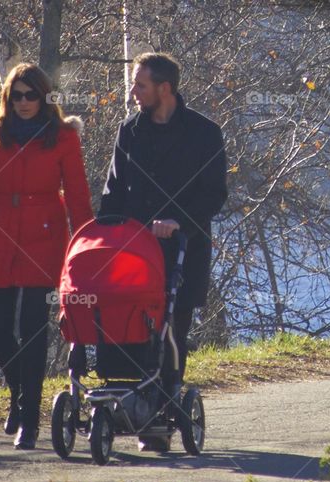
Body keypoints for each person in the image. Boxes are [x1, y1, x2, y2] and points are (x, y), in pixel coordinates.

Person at [97, 52, 228, 452]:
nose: (133, 92)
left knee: (171, 331)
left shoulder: (204, 133)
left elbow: (214, 194)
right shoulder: (130, 131)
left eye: (140, 85)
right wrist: (104, 233)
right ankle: (132, 406)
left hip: (183, 248)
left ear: (164, 88)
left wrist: (179, 223)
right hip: (134, 250)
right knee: (129, 325)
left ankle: (162, 414)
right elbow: (113, 190)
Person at [0, 63, 94, 450]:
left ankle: (30, 421)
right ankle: (20, 396)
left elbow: (76, 192)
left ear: (44, 97)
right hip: (0, 234)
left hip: (45, 235)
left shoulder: (63, 137)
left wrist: (86, 244)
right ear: (9, 97)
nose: (24, 103)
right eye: (17, 95)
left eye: (31, 95)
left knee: (32, 329)